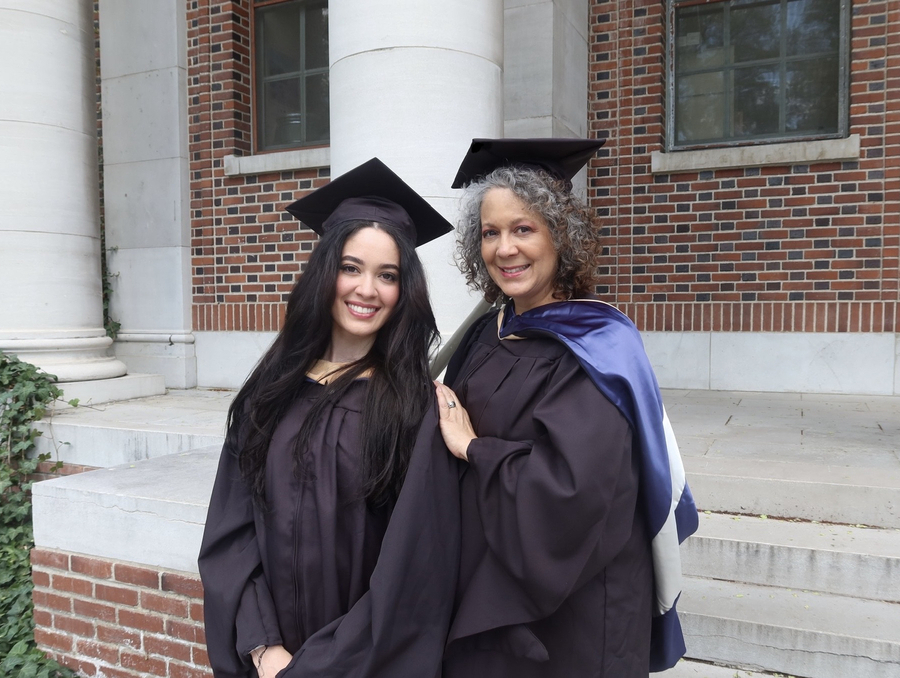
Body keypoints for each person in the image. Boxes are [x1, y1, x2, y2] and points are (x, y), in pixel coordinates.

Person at [434, 139, 699, 677]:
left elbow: (573, 492)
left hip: (573, 611)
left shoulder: (596, 346)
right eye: (491, 233)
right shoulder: (489, 330)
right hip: (494, 586)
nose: (504, 249)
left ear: (561, 235)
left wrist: (474, 450)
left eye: (523, 229)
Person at [199, 158, 460, 678]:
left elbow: (413, 572)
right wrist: (263, 647)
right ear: (325, 271)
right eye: (351, 267)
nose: (367, 289)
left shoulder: (415, 410)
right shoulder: (269, 394)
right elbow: (232, 534)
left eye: (387, 275)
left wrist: (319, 667)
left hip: (361, 663)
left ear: (403, 291)